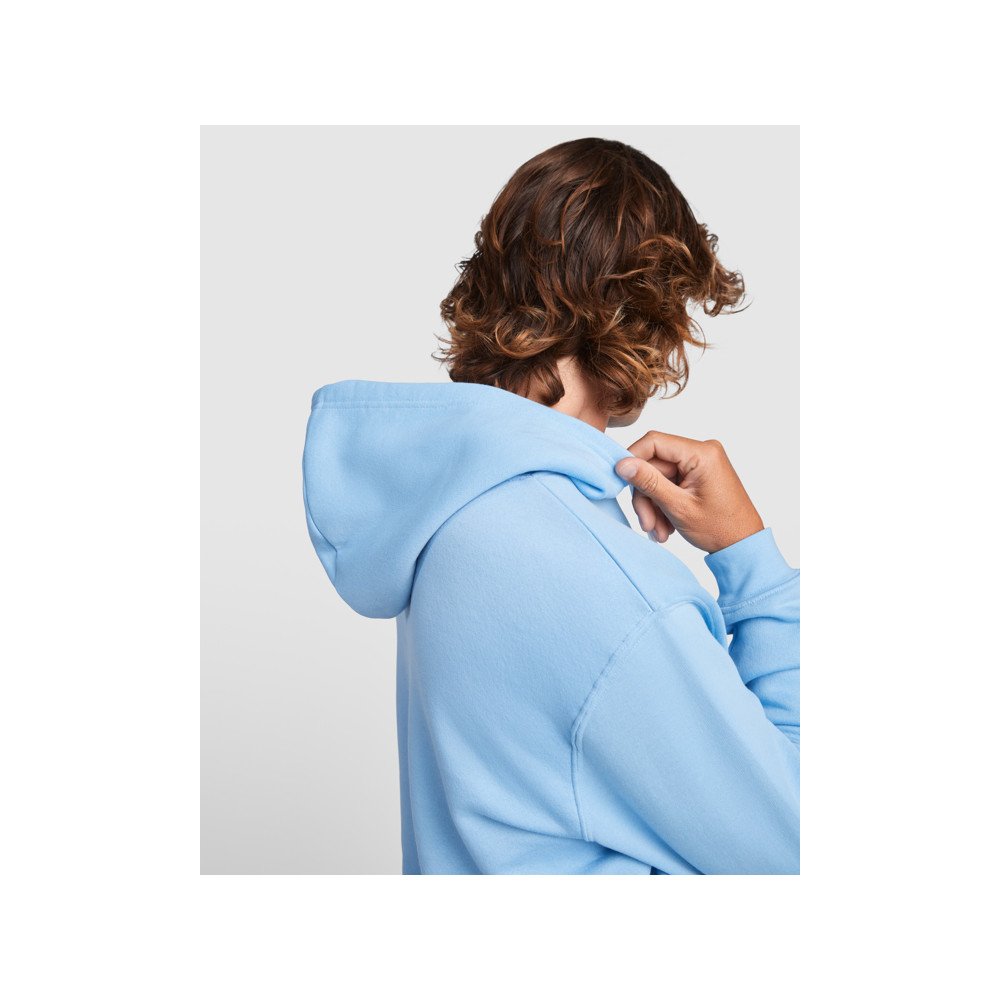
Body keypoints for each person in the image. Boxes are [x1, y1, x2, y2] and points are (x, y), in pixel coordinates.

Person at [302, 138, 799, 874]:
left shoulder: (458, 512)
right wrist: (750, 557)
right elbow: (796, 846)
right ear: (645, 318)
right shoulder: (599, 580)